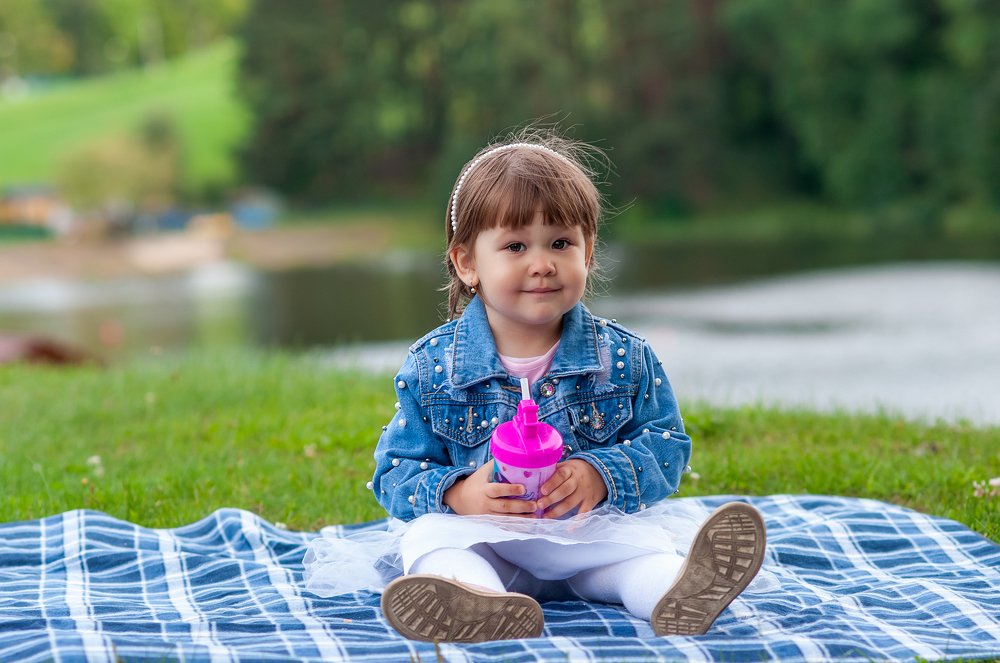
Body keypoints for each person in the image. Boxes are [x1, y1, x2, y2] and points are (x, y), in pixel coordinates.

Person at [303, 130, 767, 642]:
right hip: (485, 539)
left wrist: (600, 474)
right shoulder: (434, 366)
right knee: (432, 542)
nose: (542, 263)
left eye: (561, 243)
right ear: (467, 263)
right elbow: (395, 471)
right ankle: (479, 604)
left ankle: (674, 591)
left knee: (641, 555)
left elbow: (668, 445)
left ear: (588, 253)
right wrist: (458, 493)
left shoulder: (623, 358)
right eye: (516, 245)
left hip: (588, 535)